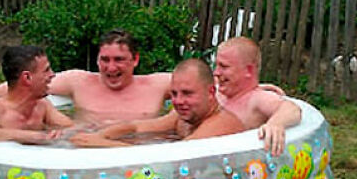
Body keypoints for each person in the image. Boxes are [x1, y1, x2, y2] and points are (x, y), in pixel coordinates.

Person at [0, 30, 172, 124]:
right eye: (105, 59)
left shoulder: (159, 84)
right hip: (85, 152)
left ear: (135, 60)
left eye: (119, 59)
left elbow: (200, 90)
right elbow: (31, 82)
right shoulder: (79, 81)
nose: (111, 67)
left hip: (142, 156)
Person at [72, 58, 244, 146]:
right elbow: (137, 127)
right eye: (174, 94)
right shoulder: (183, 116)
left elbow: (173, 157)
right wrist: (101, 134)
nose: (178, 101)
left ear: (211, 92)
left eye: (187, 93)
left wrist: (103, 144)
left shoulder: (221, 123)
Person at [0, 46, 73, 146]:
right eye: (46, 70)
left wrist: (62, 134)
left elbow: (72, 128)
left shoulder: (42, 105)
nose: (52, 75)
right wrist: (32, 136)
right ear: (27, 78)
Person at [214, 36, 301, 157]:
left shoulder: (256, 99)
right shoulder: (218, 90)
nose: (216, 72)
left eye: (224, 67)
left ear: (248, 71)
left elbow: (291, 109)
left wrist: (276, 123)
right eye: (216, 65)